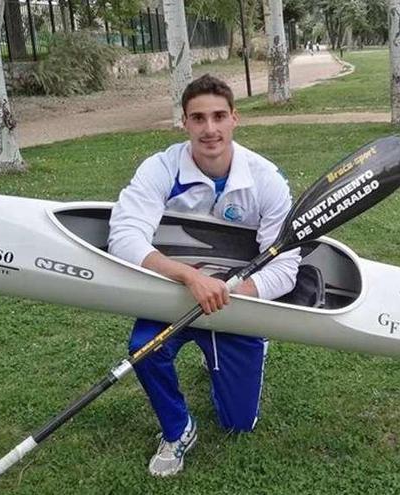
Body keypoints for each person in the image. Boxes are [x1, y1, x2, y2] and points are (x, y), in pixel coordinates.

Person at [107, 74, 300, 477]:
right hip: (173, 295)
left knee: (238, 424)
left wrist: (234, 294)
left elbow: (284, 266)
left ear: (235, 118)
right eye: (198, 119)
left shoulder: (267, 180)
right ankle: (178, 429)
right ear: (185, 123)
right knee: (145, 349)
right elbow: (123, 236)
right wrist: (190, 278)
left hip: (235, 306)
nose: (209, 129)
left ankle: (231, 361)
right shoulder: (160, 167)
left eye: (218, 117)